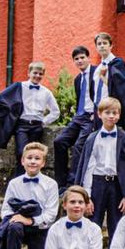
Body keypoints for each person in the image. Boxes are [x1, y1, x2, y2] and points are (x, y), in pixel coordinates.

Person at [70, 98, 125, 237]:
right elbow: (87, 168)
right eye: (107, 112)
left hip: (118, 186)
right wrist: (86, 197)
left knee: (118, 226)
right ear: (99, 114)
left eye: (115, 113)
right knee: (93, 223)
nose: (111, 116)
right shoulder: (91, 138)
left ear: (119, 115)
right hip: (97, 184)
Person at [0, 143, 60, 249]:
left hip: (39, 227)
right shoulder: (14, 183)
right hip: (17, 225)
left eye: (37, 158)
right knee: (14, 227)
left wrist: (31, 221)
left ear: (43, 163)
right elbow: (6, 209)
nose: (32, 161)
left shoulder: (51, 184)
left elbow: (51, 214)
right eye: (29, 158)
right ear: (22, 161)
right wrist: (16, 218)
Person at [51, 45, 98, 183]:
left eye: (82, 57)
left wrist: (97, 113)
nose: (80, 61)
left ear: (88, 58)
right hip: (79, 117)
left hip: (91, 117)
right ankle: (60, 181)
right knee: (59, 142)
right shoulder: (78, 79)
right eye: (76, 59)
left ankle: (74, 182)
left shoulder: (97, 73)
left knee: (79, 146)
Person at [3, 61, 61, 156]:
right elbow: (3, 98)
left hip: (37, 127)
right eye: (35, 73)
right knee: (21, 153)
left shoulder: (46, 92)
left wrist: (44, 121)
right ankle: (20, 171)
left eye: (40, 74)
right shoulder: (19, 86)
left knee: (34, 154)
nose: (37, 75)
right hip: (22, 125)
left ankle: (32, 171)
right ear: (28, 73)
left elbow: (56, 111)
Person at [93, 32, 125, 131]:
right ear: (96, 47)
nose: (102, 46)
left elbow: (120, 90)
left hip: (112, 112)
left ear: (111, 46)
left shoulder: (117, 63)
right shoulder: (98, 68)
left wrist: (102, 76)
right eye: (99, 44)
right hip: (99, 111)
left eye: (105, 43)